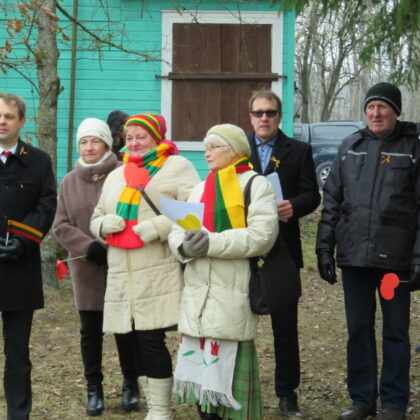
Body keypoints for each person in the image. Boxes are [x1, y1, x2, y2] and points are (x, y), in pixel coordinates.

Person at [316, 82, 420, 420]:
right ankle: (362, 400)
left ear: (396, 111)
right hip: (355, 259)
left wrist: (418, 257)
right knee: (359, 329)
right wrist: (324, 247)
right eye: (371, 107)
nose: (375, 113)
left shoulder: (412, 147)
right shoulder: (351, 146)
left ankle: (393, 403)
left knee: (395, 331)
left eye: (383, 107)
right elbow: (332, 200)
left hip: (394, 262)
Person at [90, 113, 200, 419]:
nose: (134, 143)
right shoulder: (117, 174)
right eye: (129, 138)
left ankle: (161, 411)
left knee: (151, 340)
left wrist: (158, 228)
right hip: (121, 272)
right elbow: (96, 215)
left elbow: (194, 211)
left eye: (141, 137)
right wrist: (102, 226)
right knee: (130, 340)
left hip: (157, 267)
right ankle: (152, 403)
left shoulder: (176, 166)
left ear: (156, 138)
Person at [169, 123, 279, 420]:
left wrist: (211, 243)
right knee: (201, 377)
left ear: (235, 151)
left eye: (214, 147)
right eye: (205, 147)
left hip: (233, 288)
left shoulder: (256, 185)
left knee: (228, 369)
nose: (207, 153)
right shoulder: (199, 188)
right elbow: (178, 229)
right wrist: (184, 246)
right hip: (198, 292)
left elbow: (262, 236)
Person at [52, 118, 141, 416]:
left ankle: (131, 384)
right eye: (83, 142)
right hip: (86, 267)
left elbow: (136, 213)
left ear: (107, 144)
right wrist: (87, 246)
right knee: (90, 333)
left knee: (125, 330)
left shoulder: (124, 173)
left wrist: (116, 243)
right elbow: (60, 225)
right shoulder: (69, 182)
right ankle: (94, 389)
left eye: (95, 141)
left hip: (122, 263)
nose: (89, 147)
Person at [247, 89, 320, 418]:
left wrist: (295, 205)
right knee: (235, 324)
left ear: (279, 116)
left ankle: (287, 394)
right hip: (242, 248)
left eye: (270, 112)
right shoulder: (236, 149)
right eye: (258, 112)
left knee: (285, 329)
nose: (264, 118)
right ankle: (237, 389)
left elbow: (312, 194)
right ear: (250, 117)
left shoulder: (299, 150)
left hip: (283, 250)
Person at [0, 92, 57, 419]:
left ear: (21, 122)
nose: (2, 121)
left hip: (19, 267)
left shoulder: (38, 161)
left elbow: (46, 206)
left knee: (18, 354)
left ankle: (18, 414)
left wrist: (22, 240)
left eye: (9, 116)